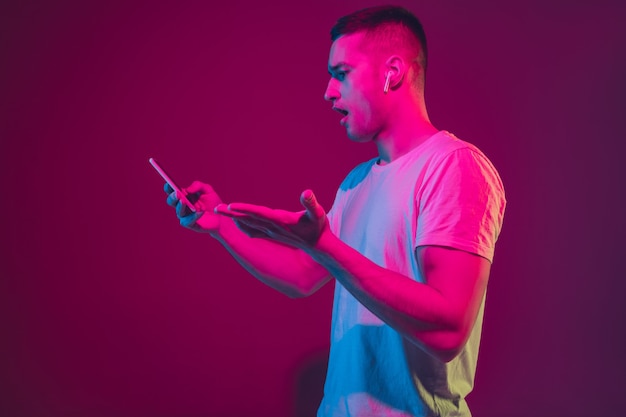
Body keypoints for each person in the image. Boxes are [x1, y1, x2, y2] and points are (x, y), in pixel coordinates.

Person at [163, 5, 506, 417]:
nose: (328, 90)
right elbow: (303, 276)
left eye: (341, 73)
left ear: (392, 73)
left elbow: (448, 330)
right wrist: (220, 225)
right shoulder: (357, 182)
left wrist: (326, 246)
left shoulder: (454, 166)